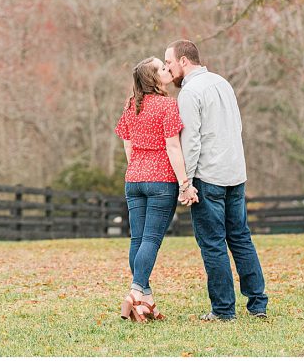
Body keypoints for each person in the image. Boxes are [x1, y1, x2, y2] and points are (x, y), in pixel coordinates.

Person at [164, 39, 269, 321]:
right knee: (240, 238)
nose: (167, 69)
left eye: (169, 63)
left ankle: (223, 310)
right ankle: (257, 303)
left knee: (212, 243)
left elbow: (192, 141)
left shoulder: (189, 92)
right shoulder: (222, 83)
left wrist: (186, 183)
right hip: (235, 173)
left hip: (208, 176)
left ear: (184, 61)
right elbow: (236, 127)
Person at [112, 56, 198, 323]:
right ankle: (135, 293)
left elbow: (127, 144)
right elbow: (173, 147)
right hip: (161, 181)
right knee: (151, 240)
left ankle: (146, 301)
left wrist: (138, 167)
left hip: (134, 179)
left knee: (137, 240)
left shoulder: (130, 105)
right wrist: (185, 183)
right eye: (162, 68)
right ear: (153, 78)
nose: (166, 69)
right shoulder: (166, 105)